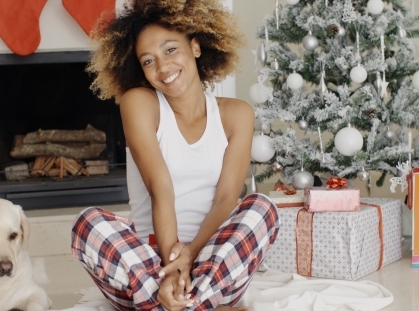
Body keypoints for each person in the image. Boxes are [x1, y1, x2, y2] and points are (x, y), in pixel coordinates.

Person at [71, 1, 279, 310]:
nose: (163, 67)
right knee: (88, 224)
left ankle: (179, 302)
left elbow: (226, 199)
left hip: (211, 257)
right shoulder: (139, 103)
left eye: (170, 50)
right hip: (145, 263)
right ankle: (189, 302)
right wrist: (171, 268)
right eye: (148, 60)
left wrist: (191, 256)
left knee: (262, 208)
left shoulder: (236, 114)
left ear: (195, 46)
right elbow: (160, 189)